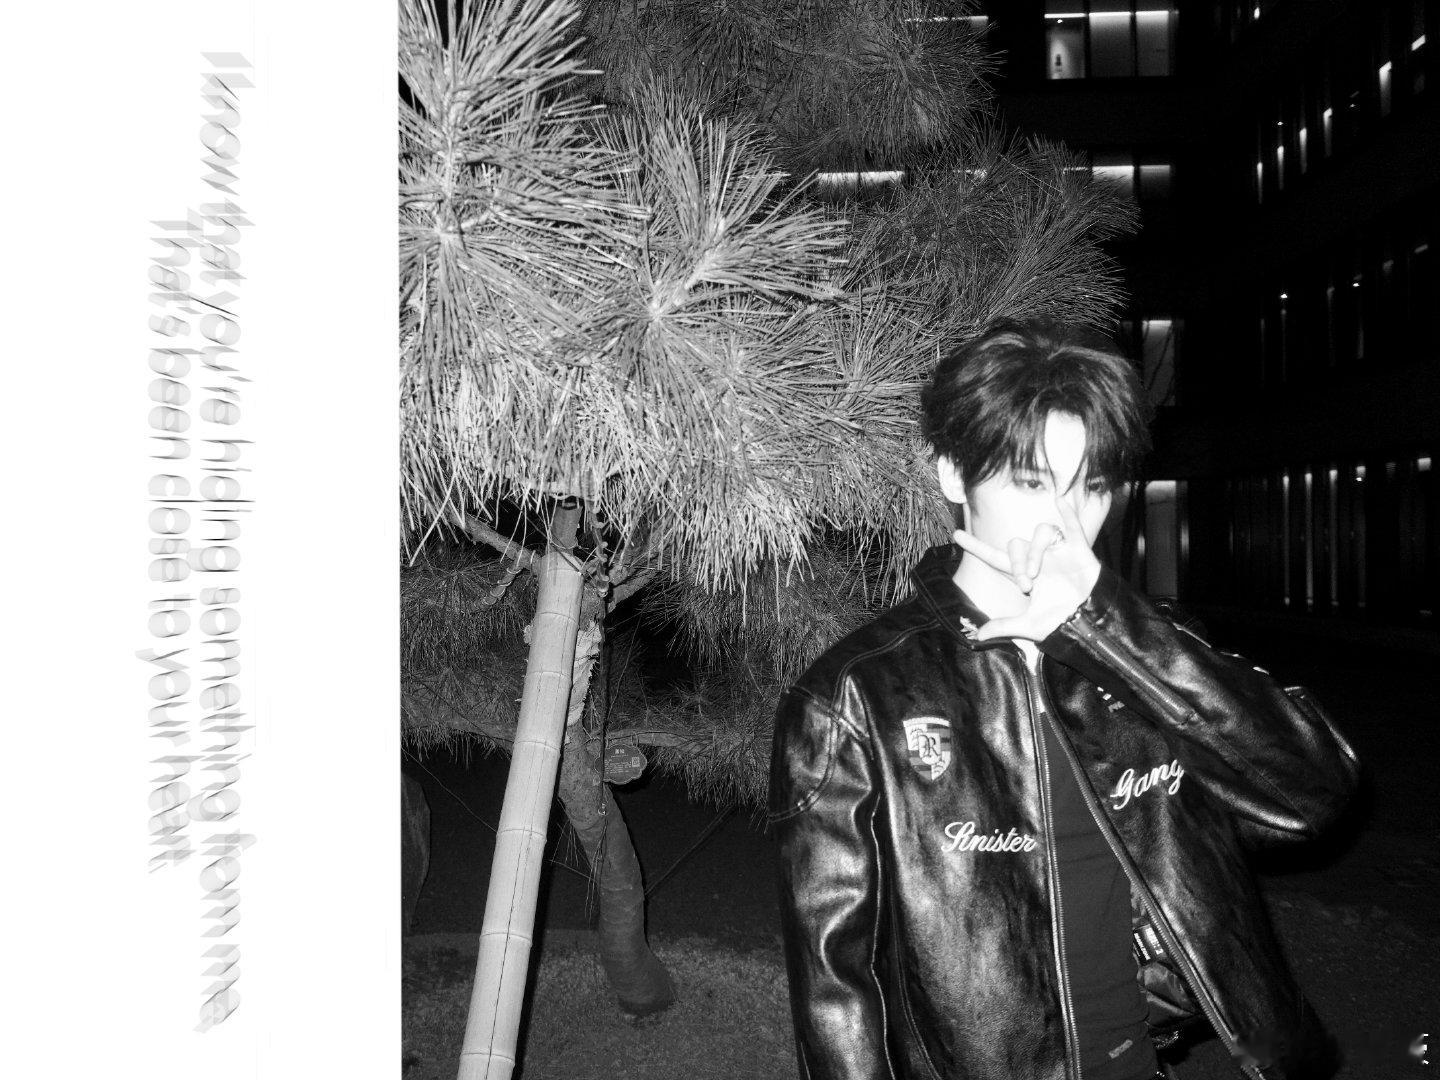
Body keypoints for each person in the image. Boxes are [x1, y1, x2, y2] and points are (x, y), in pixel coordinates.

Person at [768, 318, 1359, 1080]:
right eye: (1031, 482)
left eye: (1094, 487)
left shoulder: (1149, 648)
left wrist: (1110, 629)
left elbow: (1314, 796)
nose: (1066, 523)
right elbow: (836, 990)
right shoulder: (855, 696)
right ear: (952, 473)